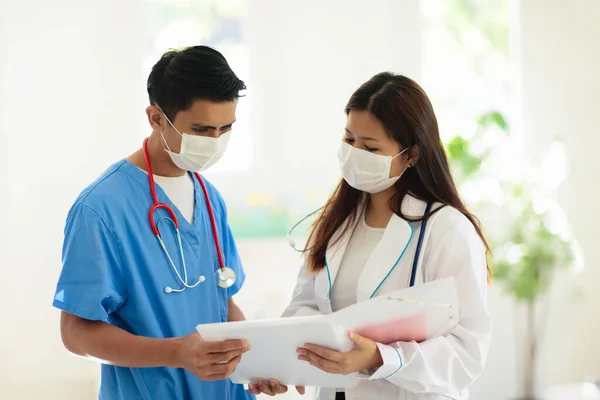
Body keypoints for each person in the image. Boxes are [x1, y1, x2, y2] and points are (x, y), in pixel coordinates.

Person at [249, 72, 491, 399]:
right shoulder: (338, 222)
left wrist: (381, 357)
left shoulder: (446, 229)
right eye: (349, 140)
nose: (355, 153)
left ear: (411, 155)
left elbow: (467, 354)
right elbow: (304, 309)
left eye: (370, 147)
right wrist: (281, 361)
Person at [52, 45, 255, 400]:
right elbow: (76, 332)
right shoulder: (101, 209)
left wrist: (258, 364)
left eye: (226, 128)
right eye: (202, 129)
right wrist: (176, 353)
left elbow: (223, 303)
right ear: (156, 118)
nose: (215, 142)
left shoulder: (209, 198)